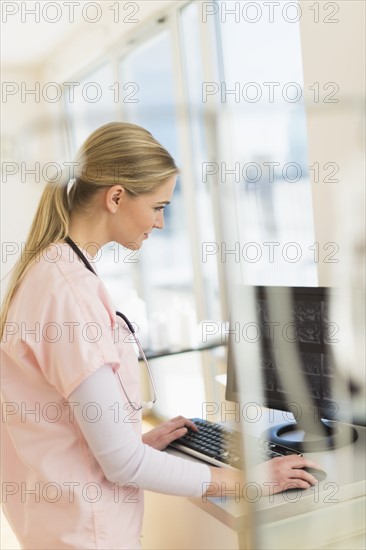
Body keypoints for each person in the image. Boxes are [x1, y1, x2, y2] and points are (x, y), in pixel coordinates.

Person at [0, 122, 322, 549]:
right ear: (115, 197)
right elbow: (124, 466)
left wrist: (131, 440)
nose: (162, 222)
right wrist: (250, 481)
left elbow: (55, 421)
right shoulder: (68, 294)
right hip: (88, 535)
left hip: (57, 525)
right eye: (157, 206)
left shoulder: (49, 271)